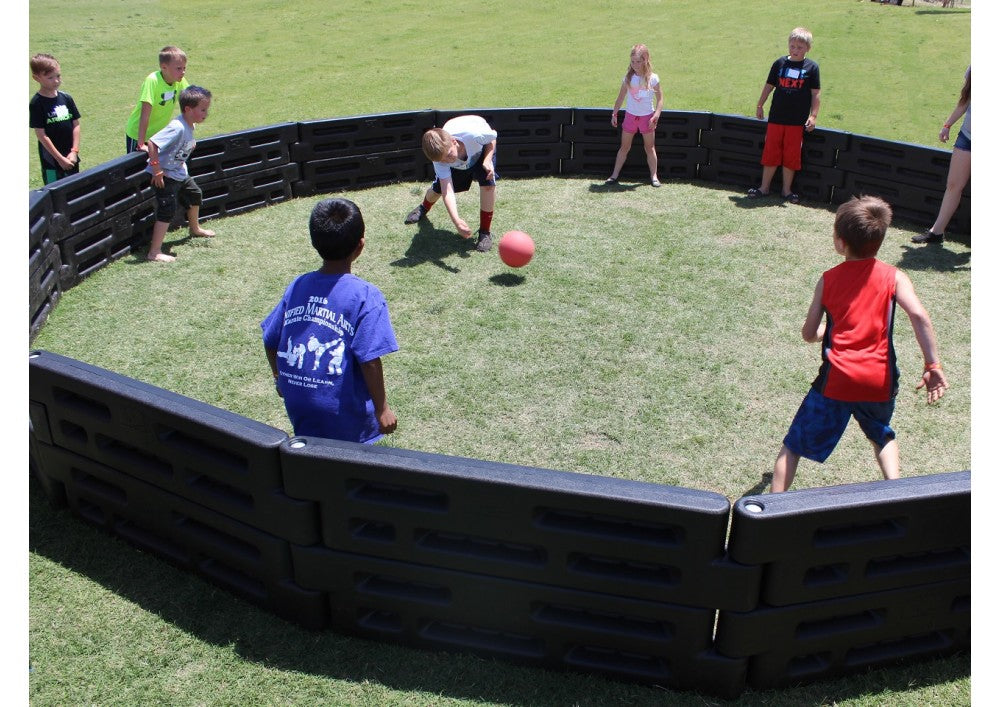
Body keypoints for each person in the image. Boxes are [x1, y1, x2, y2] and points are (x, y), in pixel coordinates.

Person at [771, 195, 949, 493]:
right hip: (879, 380)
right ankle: (897, 494)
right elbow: (918, 315)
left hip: (837, 381)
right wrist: (933, 364)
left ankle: (771, 510)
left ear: (840, 242)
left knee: (792, 448)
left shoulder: (828, 280)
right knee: (881, 436)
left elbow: (809, 333)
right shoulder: (895, 277)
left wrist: (823, 332)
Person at [261, 198, 399, 444]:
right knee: (350, 459)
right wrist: (382, 409)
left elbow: (270, 339)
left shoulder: (298, 286)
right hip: (343, 413)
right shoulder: (365, 296)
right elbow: (369, 361)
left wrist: (278, 378)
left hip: (300, 405)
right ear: (360, 245)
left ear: (314, 242)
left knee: (315, 452)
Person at [746, 27, 821, 205]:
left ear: (808, 48)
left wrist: (813, 116)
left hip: (796, 121)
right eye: (792, 46)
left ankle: (786, 191)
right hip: (776, 118)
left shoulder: (812, 67)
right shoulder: (779, 63)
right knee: (771, 152)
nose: (795, 50)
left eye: (799, 47)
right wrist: (760, 105)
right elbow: (769, 86)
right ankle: (764, 188)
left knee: (791, 155)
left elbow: (815, 93)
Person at [403, 115, 498, 252]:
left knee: (488, 185)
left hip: (481, 151)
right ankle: (423, 207)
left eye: (448, 155)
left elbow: (492, 139)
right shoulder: (440, 158)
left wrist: (487, 160)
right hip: (461, 161)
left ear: (454, 141)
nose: (447, 161)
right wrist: (456, 221)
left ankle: (485, 232)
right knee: (437, 190)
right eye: (442, 160)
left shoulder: (475, 134)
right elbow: (447, 190)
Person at [144, 85, 216, 262]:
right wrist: (157, 170)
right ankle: (154, 252)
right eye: (203, 110)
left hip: (179, 173)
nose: (206, 113)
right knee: (167, 210)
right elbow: (152, 143)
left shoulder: (189, 125)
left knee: (194, 194)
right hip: (166, 176)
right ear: (188, 109)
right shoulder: (178, 127)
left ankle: (195, 228)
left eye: (207, 109)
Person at [912, 67, 970, 244]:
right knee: (953, 184)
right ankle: (936, 232)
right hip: (967, 137)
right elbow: (966, 99)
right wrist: (947, 125)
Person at [605, 44, 663, 187]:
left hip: (647, 118)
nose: (635, 65)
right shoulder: (628, 78)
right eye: (632, 61)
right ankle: (614, 175)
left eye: (638, 61)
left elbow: (660, 99)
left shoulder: (653, 78)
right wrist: (614, 113)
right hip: (630, 117)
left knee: (650, 148)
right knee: (624, 147)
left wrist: (656, 115)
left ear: (645, 60)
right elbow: (620, 98)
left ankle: (654, 176)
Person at [124, 46, 190, 153]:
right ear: (164, 67)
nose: (183, 72)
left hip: (158, 136)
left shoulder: (179, 81)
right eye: (178, 68)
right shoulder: (152, 81)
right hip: (138, 135)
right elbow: (145, 114)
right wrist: (141, 144)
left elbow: (191, 100)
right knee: (136, 163)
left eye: (184, 68)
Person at [29, 53, 81, 185]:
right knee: (54, 191)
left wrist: (74, 151)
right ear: (36, 78)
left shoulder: (66, 98)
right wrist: (59, 159)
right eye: (50, 78)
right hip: (51, 161)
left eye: (58, 76)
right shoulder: (37, 103)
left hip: (71, 157)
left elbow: (76, 124)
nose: (56, 81)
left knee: (74, 188)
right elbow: (41, 135)